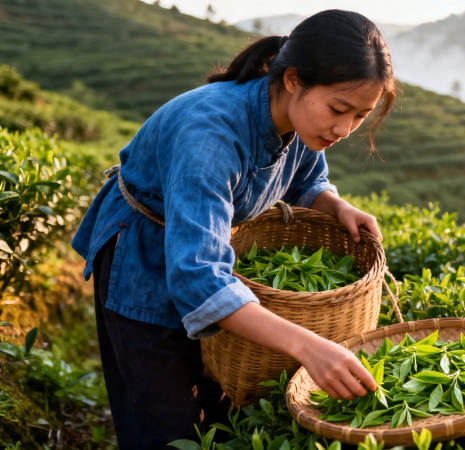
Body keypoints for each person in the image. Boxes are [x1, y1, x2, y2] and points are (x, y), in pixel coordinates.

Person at [71, 9, 396, 449]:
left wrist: (335, 206)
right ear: (293, 80)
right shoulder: (209, 135)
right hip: (144, 256)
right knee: (162, 417)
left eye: (360, 116)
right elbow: (199, 279)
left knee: (218, 406)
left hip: (206, 249)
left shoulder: (300, 124)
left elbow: (305, 180)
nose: (344, 129)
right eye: (339, 109)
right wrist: (310, 348)